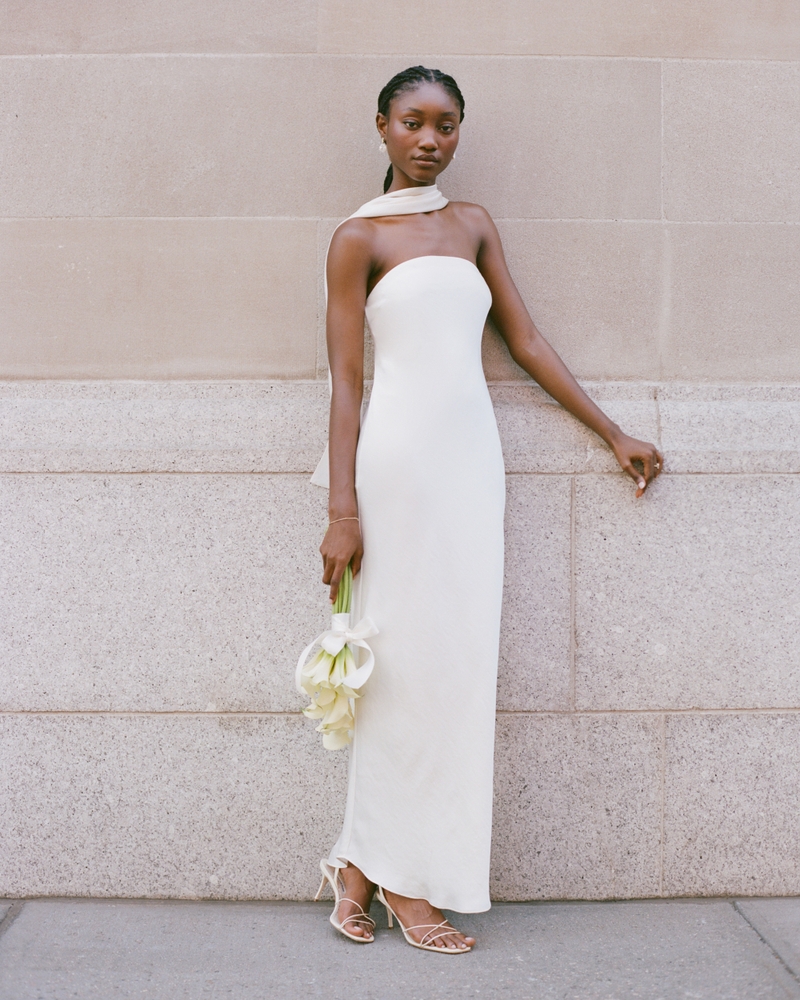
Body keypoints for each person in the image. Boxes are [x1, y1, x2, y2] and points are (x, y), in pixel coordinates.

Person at [314, 65, 662, 953]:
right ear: (382, 128)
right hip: (395, 472)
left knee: (454, 666)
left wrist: (611, 431)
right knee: (395, 665)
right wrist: (343, 508)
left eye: (448, 125)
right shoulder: (356, 239)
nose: (431, 140)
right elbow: (348, 380)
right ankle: (405, 880)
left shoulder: (473, 226)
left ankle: (359, 866)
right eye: (413, 122)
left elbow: (527, 339)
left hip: (472, 466)